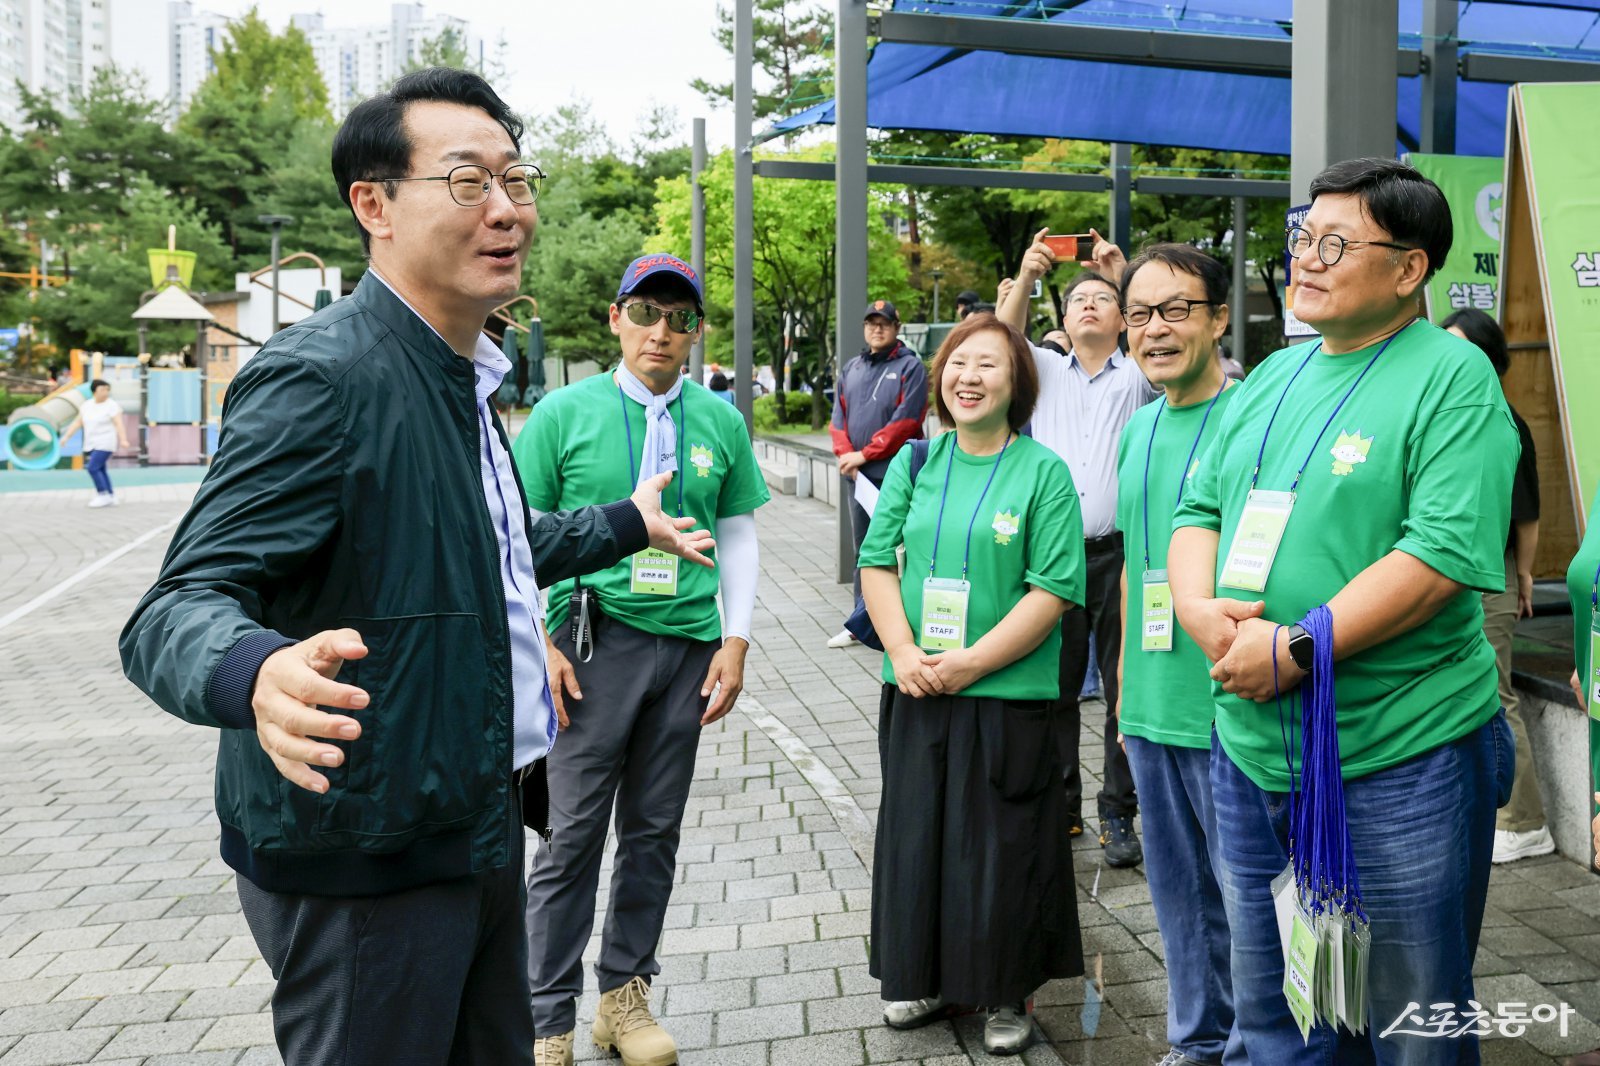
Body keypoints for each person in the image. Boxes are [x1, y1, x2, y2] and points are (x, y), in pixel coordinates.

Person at [119, 68, 714, 1066]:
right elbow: (177, 603)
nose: (508, 209)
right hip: (364, 865)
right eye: (468, 181)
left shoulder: (465, 380)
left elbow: (495, 552)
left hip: (473, 823)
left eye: (517, 180)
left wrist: (626, 523)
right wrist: (254, 670)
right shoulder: (327, 378)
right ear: (374, 205)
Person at [1168, 157, 1516, 1061]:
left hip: (1399, 751)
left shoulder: (1452, 377)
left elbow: (1439, 557)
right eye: (1301, 239)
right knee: (1279, 1005)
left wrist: (1293, 651)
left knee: (1409, 1013)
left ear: (1409, 270)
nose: (1306, 261)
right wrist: (1199, 607)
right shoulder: (1274, 377)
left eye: (1335, 243)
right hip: (1254, 751)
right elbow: (1199, 508)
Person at [514, 254, 770, 1066]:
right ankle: (545, 1019)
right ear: (616, 317)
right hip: (590, 647)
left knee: (654, 833)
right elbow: (515, 540)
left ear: (697, 332)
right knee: (571, 838)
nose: (663, 331)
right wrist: (540, 644)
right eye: (647, 312)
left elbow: (737, 534)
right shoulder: (561, 413)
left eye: (681, 318)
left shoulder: (720, 420)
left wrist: (736, 640)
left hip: (689, 652)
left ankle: (624, 999)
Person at [859, 313, 1085, 1056]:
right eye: (958, 363)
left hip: (1005, 695)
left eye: (989, 364)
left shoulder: (1043, 472)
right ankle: (924, 975)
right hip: (918, 685)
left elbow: (1050, 590)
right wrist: (903, 647)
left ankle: (1005, 990)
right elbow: (877, 562)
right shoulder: (917, 463)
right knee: (919, 837)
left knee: (1001, 846)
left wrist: (969, 663)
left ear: (1017, 381)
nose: (969, 377)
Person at [1112, 244, 1244, 1066]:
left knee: (1248, 897)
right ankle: (1196, 1041)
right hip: (1152, 701)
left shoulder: (1254, 418)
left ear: (1219, 318)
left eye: (1175, 310)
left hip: (1232, 699)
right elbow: (1134, 568)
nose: (1154, 329)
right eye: (1139, 314)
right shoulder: (1139, 428)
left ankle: (1258, 1045)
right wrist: (1126, 686)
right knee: (1178, 899)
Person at [998, 230, 1156, 866]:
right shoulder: (1044, 371)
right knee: (1055, 688)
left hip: (1126, 554)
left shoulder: (1141, 376)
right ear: (1062, 320)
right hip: (1056, 553)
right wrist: (1028, 272)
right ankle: (1060, 808)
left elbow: (1168, 340)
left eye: (1102, 299)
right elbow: (1001, 341)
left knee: (1125, 685)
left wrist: (1122, 276)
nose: (1089, 304)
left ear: (1122, 317)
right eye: (1079, 299)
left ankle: (1119, 813)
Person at [1442, 306, 1552, 864]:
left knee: (1498, 695)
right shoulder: (1446, 415)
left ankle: (1526, 823)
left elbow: (1527, 516)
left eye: (1466, 348)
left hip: (1492, 579)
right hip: (1447, 578)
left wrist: (1526, 575)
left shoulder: (1506, 421)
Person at [828, 298, 928, 648]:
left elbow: (906, 421)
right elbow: (837, 418)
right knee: (865, 550)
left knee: (902, 548)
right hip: (858, 476)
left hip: (896, 472)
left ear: (896, 327)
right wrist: (846, 456)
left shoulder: (910, 367)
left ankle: (902, 622)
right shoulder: (851, 367)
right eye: (871, 322)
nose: (877, 328)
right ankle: (861, 623)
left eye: (884, 323)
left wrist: (863, 454)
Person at [61, 378, 128, 507]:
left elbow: (118, 424)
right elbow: (77, 422)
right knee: (101, 469)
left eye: (107, 389)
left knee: (92, 468)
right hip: (92, 442)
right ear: (94, 391)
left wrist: (123, 439)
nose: (105, 392)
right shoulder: (87, 405)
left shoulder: (112, 405)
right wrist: (66, 437)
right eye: (102, 389)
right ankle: (110, 495)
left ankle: (102, 494)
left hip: (106, 442)